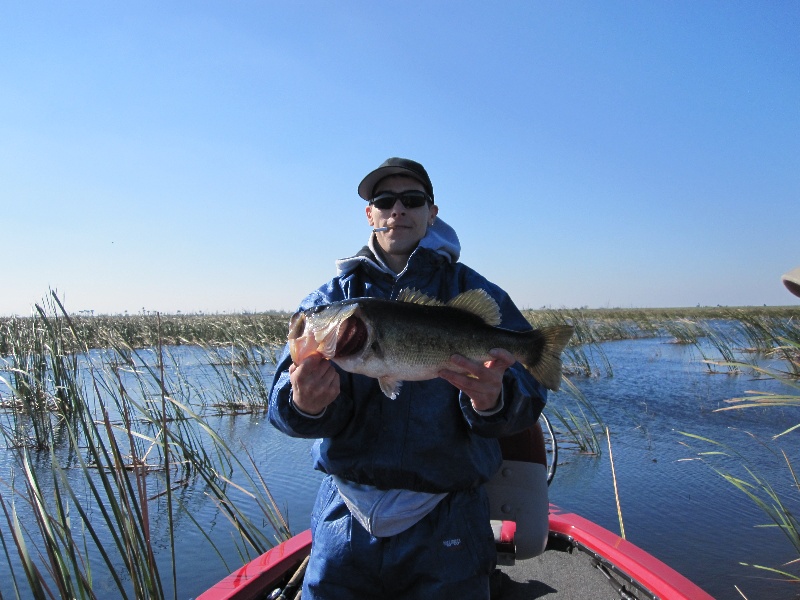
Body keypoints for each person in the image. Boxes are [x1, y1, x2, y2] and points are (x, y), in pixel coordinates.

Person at [269, 157, 548, 599]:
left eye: (412, 200)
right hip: (346, 517)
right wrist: (303, 404)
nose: (398, 209)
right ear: (370, 214)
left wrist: (492, 401)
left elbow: (528, 399)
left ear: (431, 213)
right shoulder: (329, 300)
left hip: (448, 518)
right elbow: (281, 407)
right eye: (384, 200)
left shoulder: (475, 292)